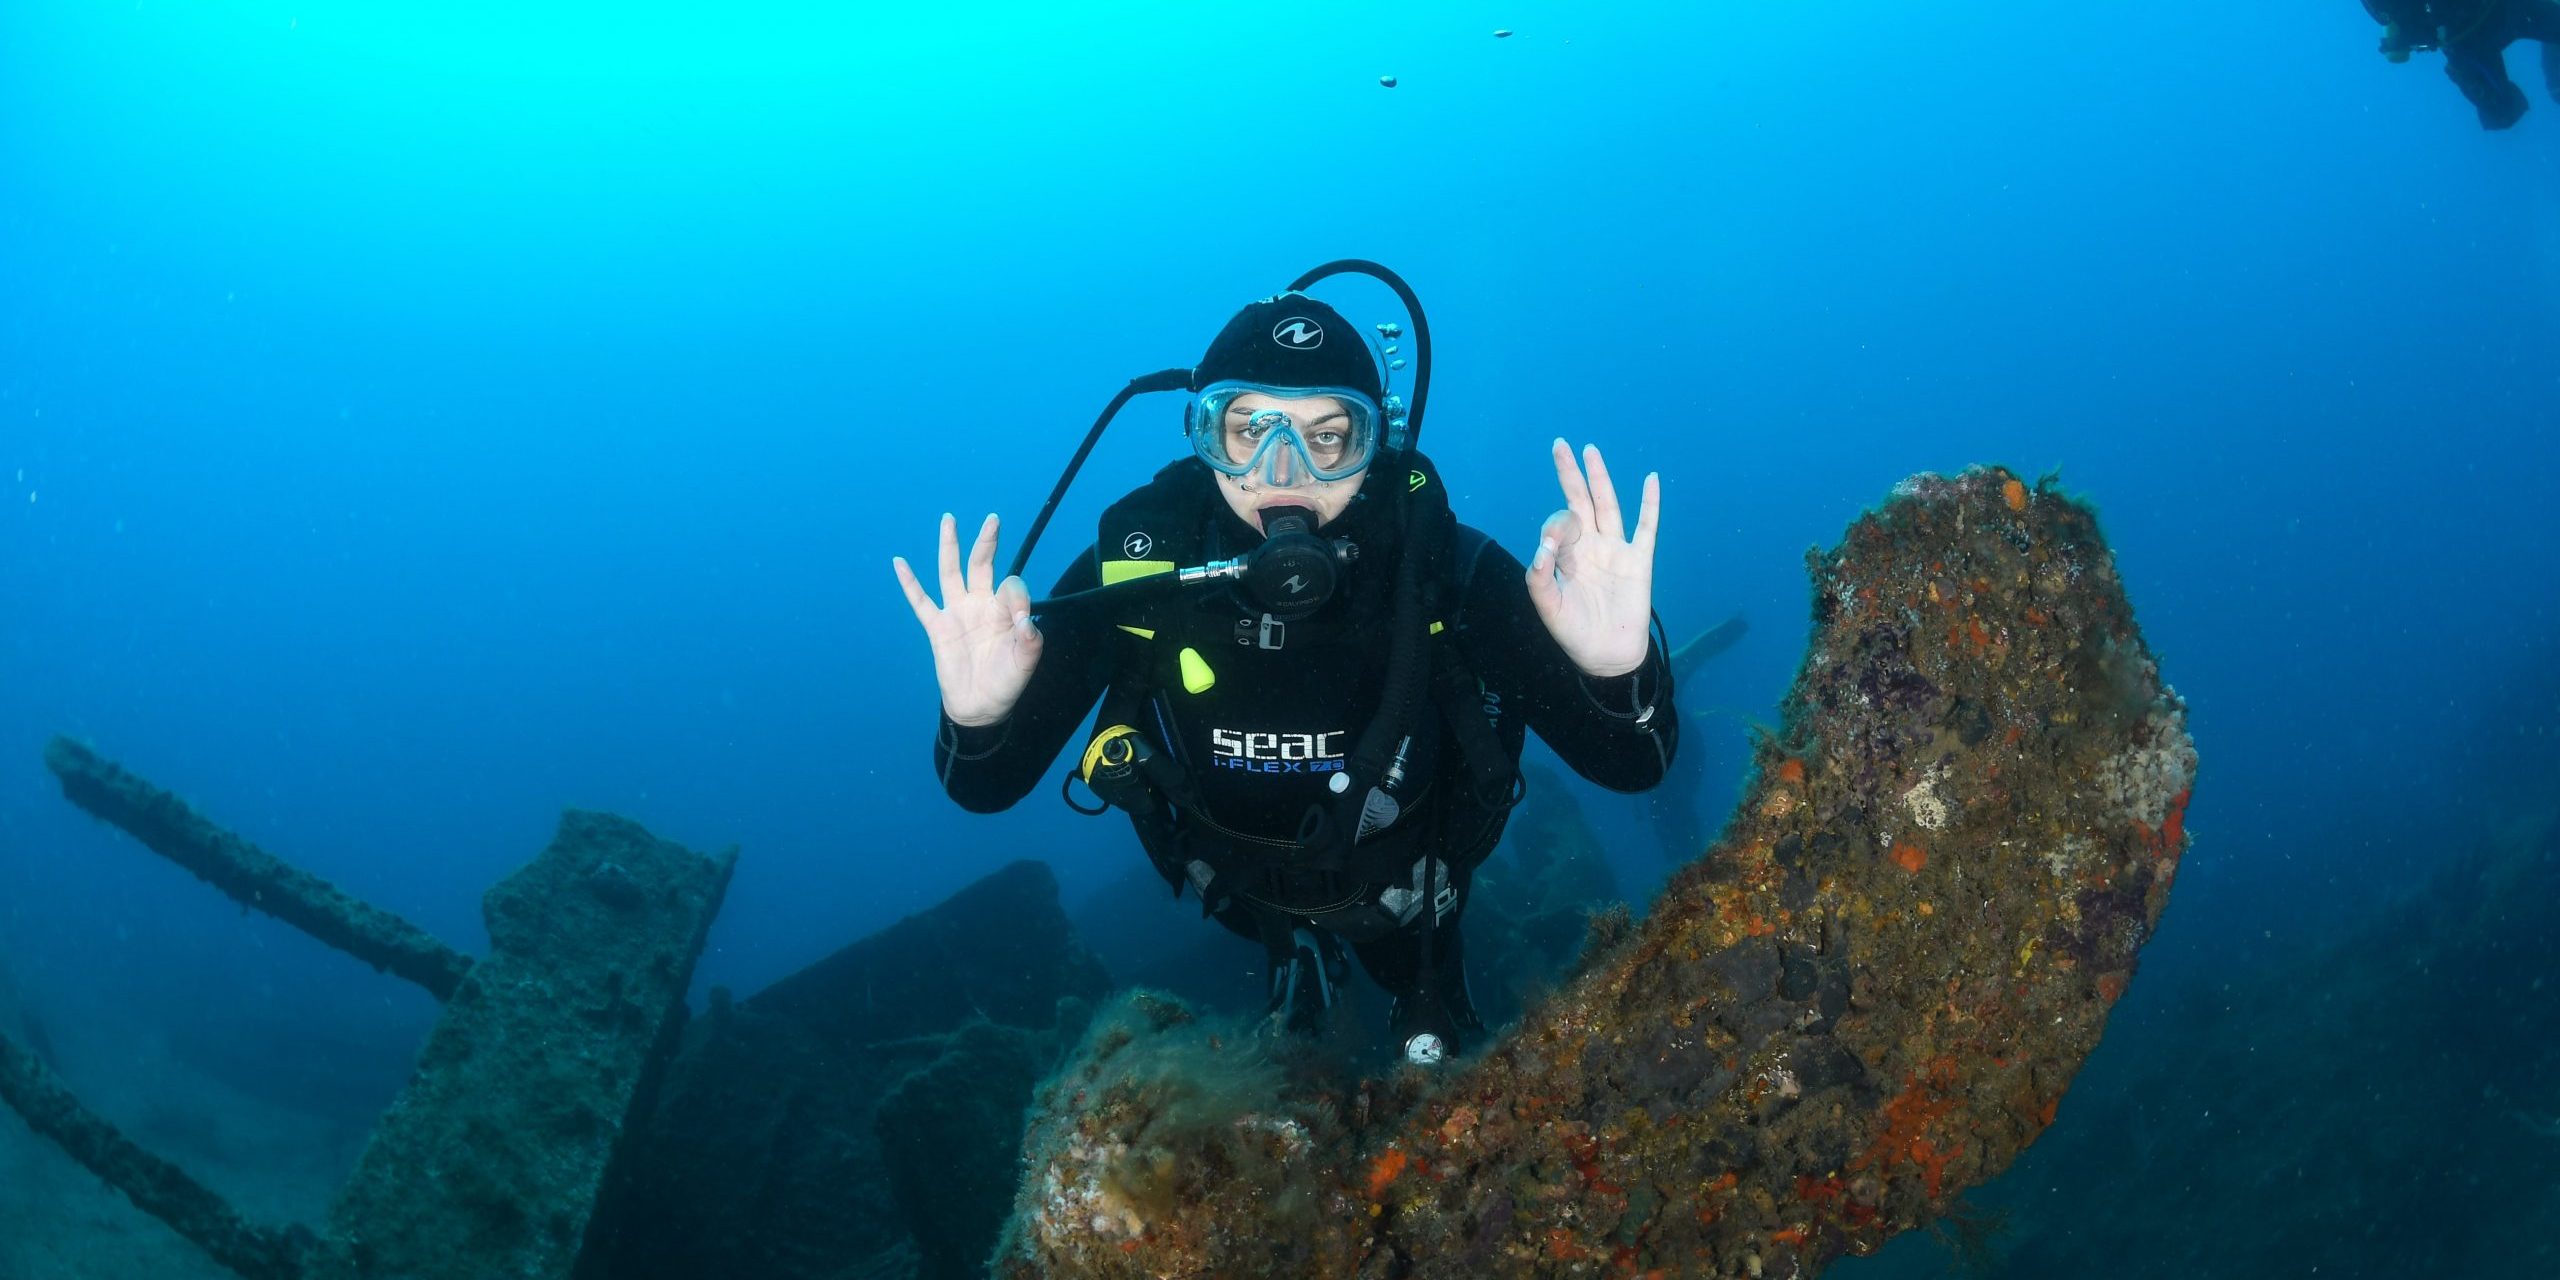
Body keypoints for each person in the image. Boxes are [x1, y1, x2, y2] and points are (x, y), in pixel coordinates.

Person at [891, 290, 1678, 1066]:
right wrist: (977, 717)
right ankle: (1297, 954)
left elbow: (1635, 764)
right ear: (1204, 435)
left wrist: (1619, 670)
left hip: (1411, 895)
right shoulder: (1143, 567)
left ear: (1375, 442)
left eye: (1327, 436)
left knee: (1422, 987)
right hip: (1235, 891)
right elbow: (983, 787)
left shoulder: (1440, 564)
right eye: (1247, 430)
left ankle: (1386, 978)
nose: (1281, 471)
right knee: (1279, 951)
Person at [2364, 0, 2560, 129]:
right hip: (2465, 43)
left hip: (2500, 9)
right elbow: (2395, 26)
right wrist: (2402, 40)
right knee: (2502, 113)